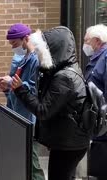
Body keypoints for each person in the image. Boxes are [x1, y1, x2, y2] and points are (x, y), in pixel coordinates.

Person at [12, 27, 90, 180]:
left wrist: (20, 90)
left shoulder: (64, 77)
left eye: (42, 51)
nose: (39, 55)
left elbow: (43, 110)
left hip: (69, 143)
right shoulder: (66, 70)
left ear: (53, 50)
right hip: (70, 140)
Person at [0, 23, 45, 180]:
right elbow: (16, 93)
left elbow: (33, 93)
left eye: (15, 43)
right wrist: (6, 88)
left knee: (32, 165)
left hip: (29, 120)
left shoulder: (35, 61)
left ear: (26, 38)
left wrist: (12, 83)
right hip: (18, 117)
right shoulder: (22, 59)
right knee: (24, 163)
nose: (13, 48)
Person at [83, 24, 107, 180]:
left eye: (87, 41)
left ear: (97, 41)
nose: (85, 45)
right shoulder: (99, 58)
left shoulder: (105, 58)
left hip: (104, 129)